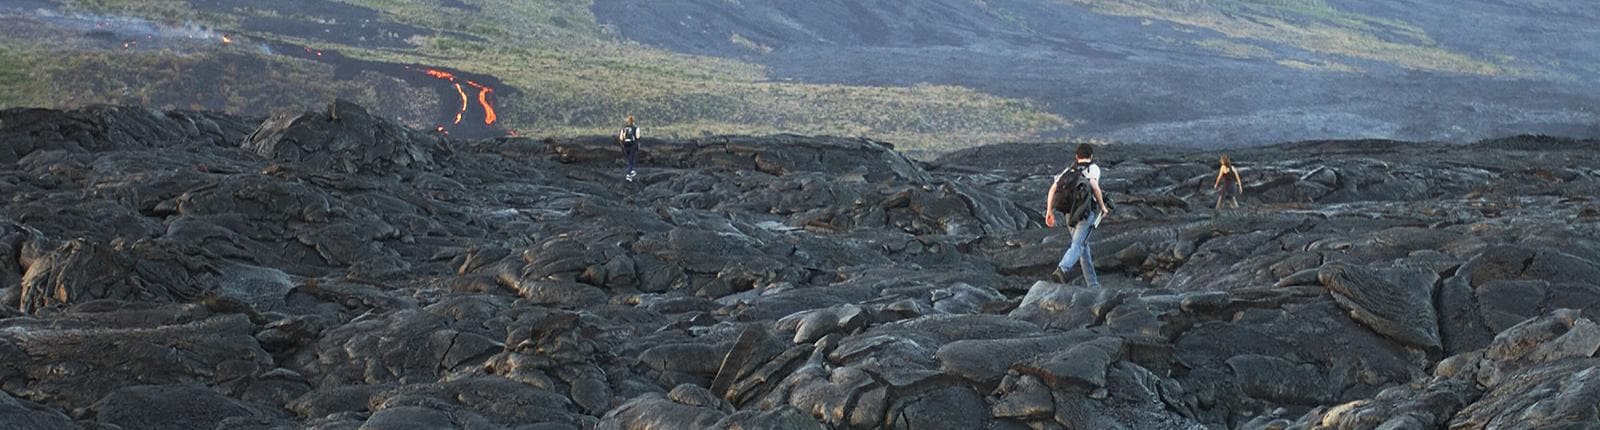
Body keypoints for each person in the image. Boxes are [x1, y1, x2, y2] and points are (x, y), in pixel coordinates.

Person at [1045, 143, 1109, 288]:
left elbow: (1053, 189)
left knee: (1083, 247)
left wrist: (1049, 211)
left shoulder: (1069, 170)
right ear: (1091, 156)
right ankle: (1062, 268)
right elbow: (1094, 185)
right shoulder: (1093, 168)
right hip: (1086, 213)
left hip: (1069, 214)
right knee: (1077, 245)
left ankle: (1093, 285)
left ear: (1077, 156)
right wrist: (1103, 207)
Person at [618, 116, 641, 181]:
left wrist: (622, 143)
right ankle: (629, 174)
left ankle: (632, 171)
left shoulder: (624, 128)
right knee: (632, 159)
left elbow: (621, 138)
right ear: (633, 121)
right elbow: (638, 136)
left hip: (625, 145)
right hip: (633, 145)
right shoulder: (636, 128)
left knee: (629, 159)